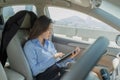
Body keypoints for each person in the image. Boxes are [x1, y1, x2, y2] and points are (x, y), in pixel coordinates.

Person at [23, 15, 99, 80]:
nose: (51, 32)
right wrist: (53, 58)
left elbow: (58, 63)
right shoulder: (30, 46)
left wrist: (70, 57)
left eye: (51, 29)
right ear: (41, 29)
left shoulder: (49, 43)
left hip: (57, 71)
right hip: (47, 76)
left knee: (92, 75)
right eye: (49, 29)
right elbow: (35, 71)